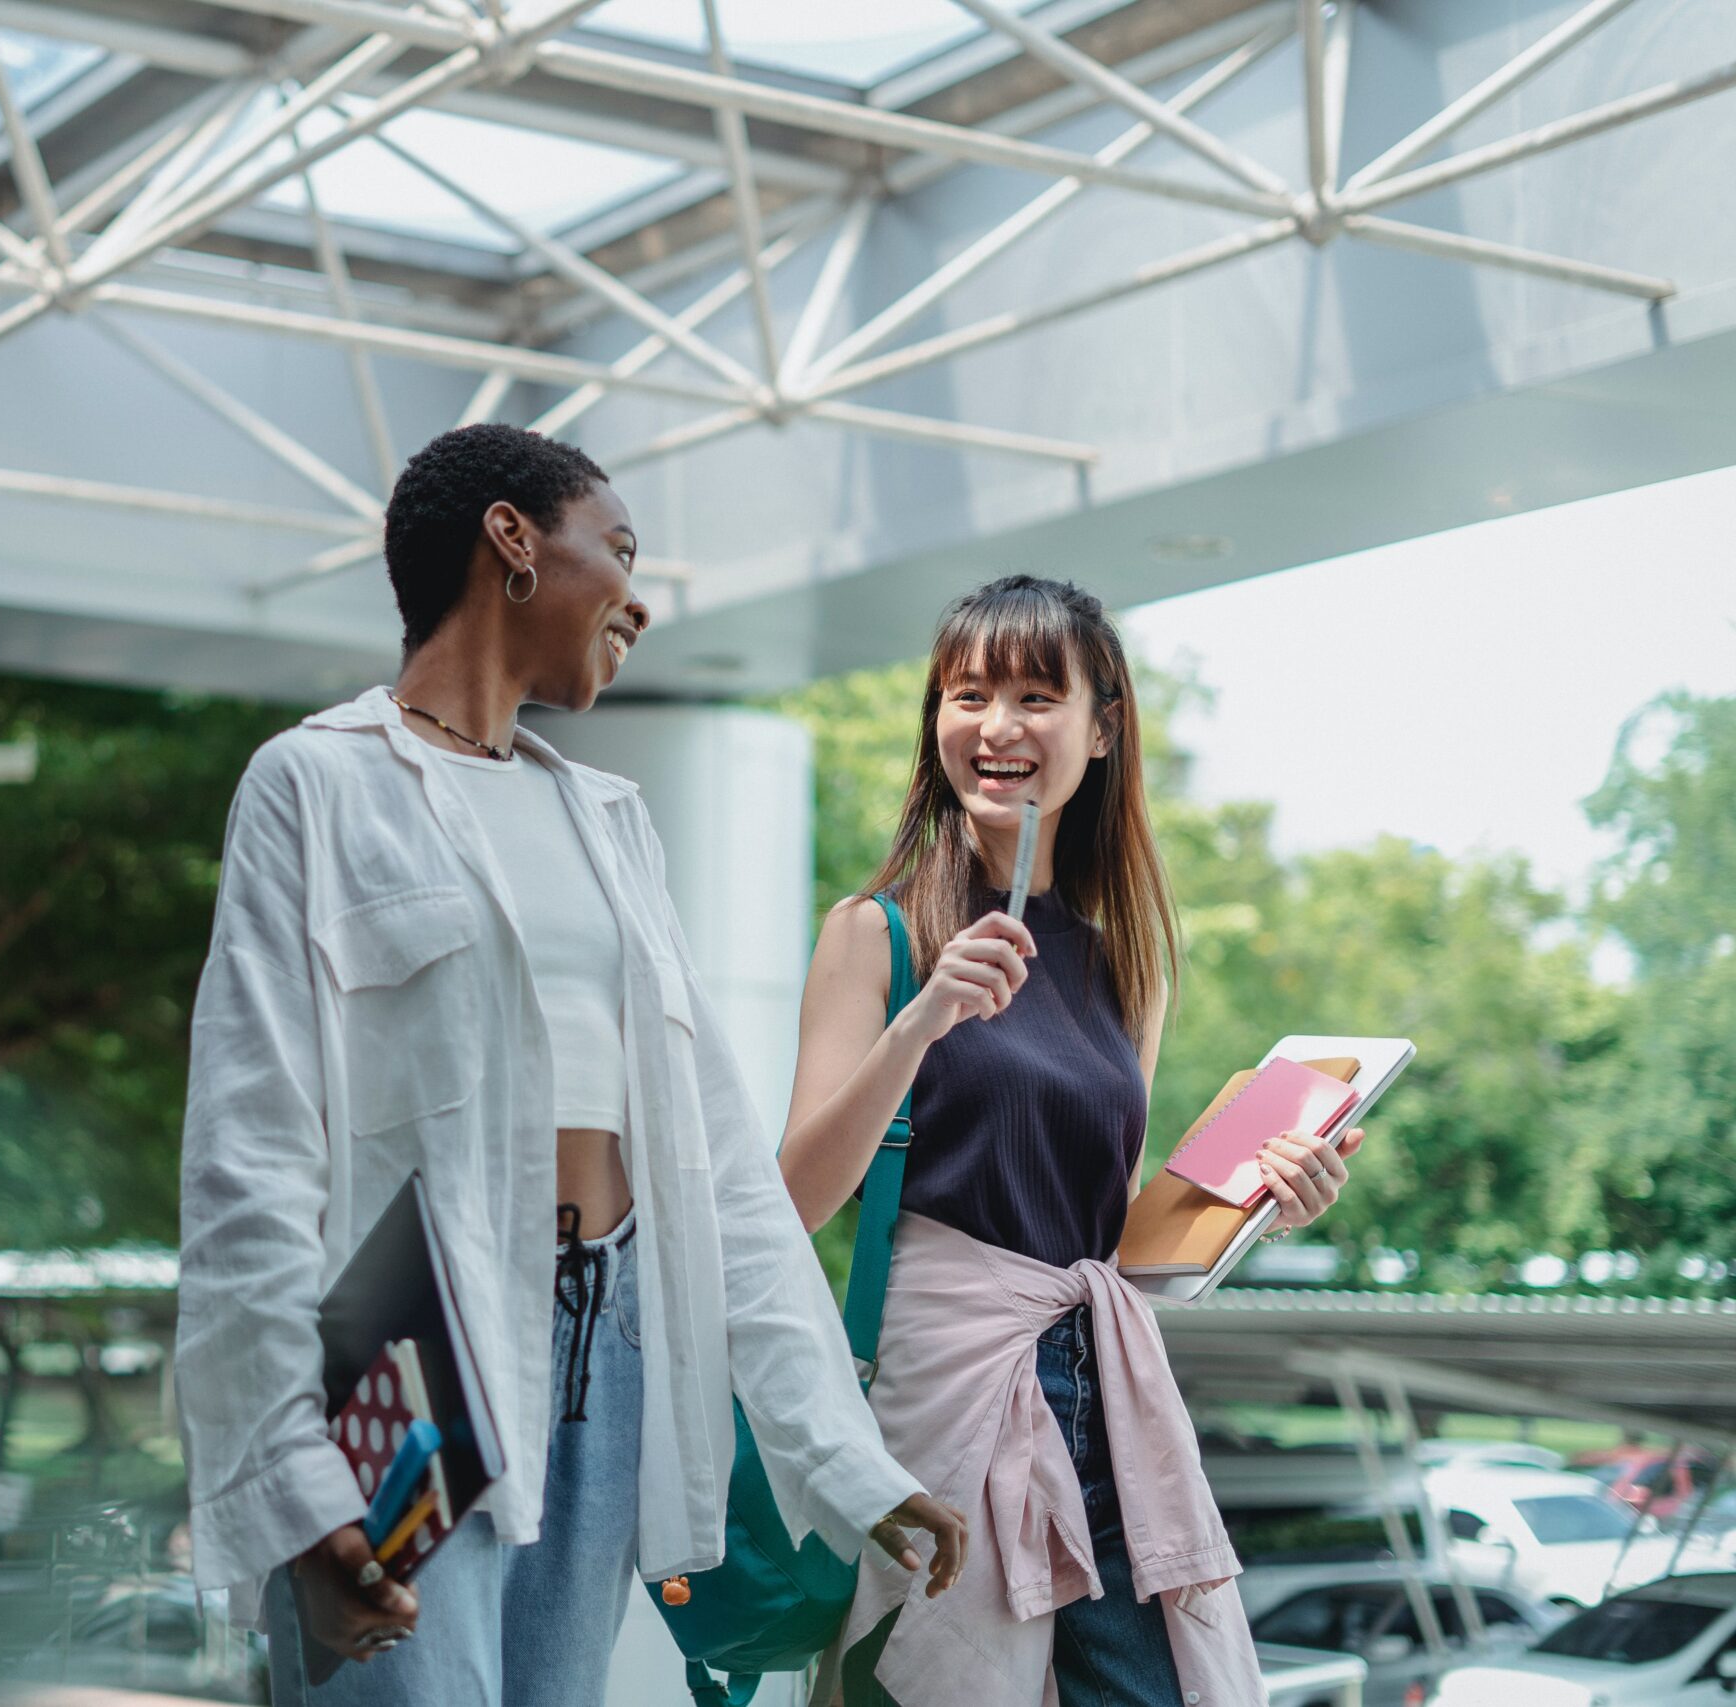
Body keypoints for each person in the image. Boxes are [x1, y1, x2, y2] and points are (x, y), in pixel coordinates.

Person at [175, 424, 966, 1707]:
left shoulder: (609, 822)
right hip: (405, 1342)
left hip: (616, 1343)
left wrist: (849, 1465)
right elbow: (246, 1167)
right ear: (511, 542)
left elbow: (716, 1172)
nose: (639, 599)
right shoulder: (312, 786)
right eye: (619, 550)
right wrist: (293, 1494)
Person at [779, 575, 1364, 1707]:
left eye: (1036, 695)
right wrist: (919, 1021)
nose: (995, 726)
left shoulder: (1120, 966)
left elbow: (1113, 1236)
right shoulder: (876, 932)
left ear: (1101, 730)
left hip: (1106, 1390)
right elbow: (792, 1201)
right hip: (942, 1395)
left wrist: (1260, 1199)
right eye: (966, 693)